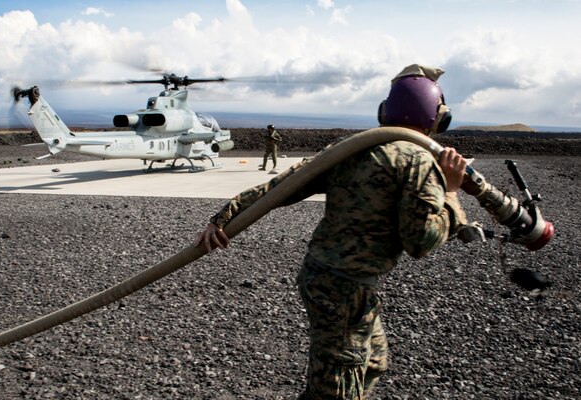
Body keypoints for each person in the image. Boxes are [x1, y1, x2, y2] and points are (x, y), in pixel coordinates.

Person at [195, 64, 468, 399]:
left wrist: (224, 215)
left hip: (325, 277)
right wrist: (451, 194)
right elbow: (421, 240)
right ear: (437, 117)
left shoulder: (352, 147)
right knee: (335, 388)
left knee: (373, 361)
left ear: (386, 110)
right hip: (346, 287)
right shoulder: (419, 161)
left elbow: (283, 187)